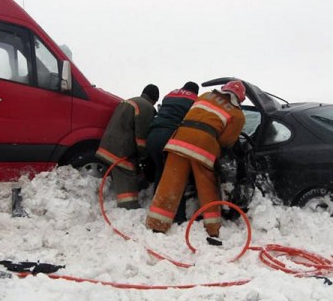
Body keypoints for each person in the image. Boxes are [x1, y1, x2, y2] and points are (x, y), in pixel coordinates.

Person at [145, 80, 247, 237]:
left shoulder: (206, 96)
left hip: (179, 139)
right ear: (240, 98)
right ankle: (213, 228)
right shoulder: (237, 114)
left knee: (170, 181)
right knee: (206, 187)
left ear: (223, 90)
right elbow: (226, 142)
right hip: (203, 147)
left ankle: (157, 223)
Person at [96, 84, 159, 209]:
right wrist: (144, 157)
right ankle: (129, 208)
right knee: (127, 180)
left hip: (107, 146)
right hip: (120, 152)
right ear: (155, 100)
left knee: (121, 175)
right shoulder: (146, 107)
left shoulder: (130, 101)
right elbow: (142, 137)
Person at [146, 81, 199, 223]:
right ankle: (177, 216)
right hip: (169, 137)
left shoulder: (170, 94)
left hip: (152, 137)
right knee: (175, 176)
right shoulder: (194, 99)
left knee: (160, 172)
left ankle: (156, 209)